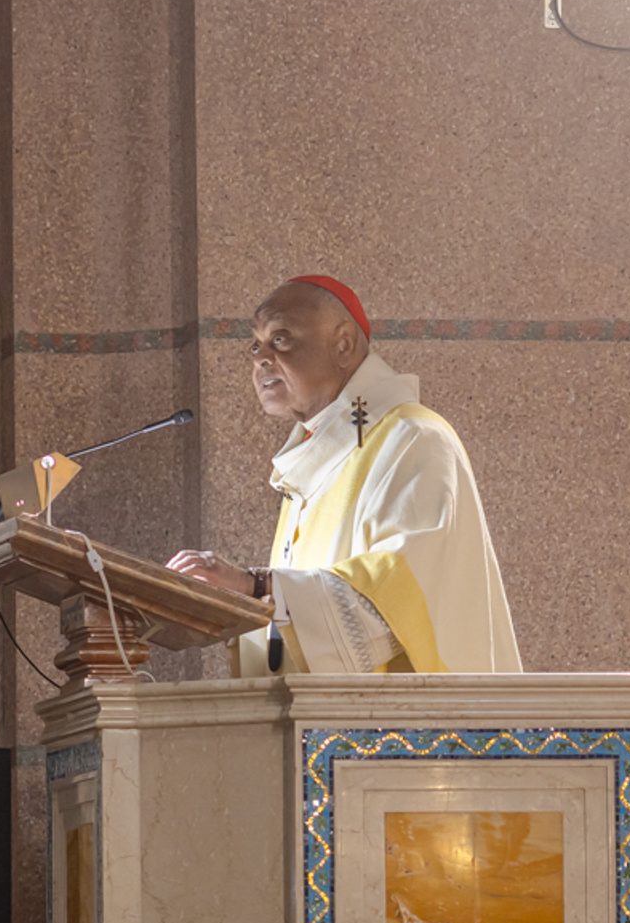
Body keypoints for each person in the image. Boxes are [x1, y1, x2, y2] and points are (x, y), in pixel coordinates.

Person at [167, 275, 520, 677]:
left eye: (280, 339)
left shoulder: (412, 440)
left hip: (413, 731)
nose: (260, 357)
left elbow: (399, 601)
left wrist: (257, 586)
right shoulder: (312, 467)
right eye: (255, 343)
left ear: (343, 344)